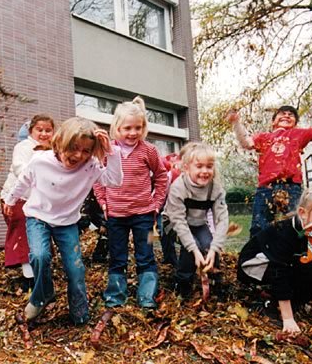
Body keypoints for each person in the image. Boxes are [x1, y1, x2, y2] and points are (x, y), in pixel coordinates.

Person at [4, 117, 123, 325]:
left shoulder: (91, 166)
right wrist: (11, 199)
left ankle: (79, 312)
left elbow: (114, 180)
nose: (79, 155)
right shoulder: (41, 160)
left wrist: (111, 152)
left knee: (75, 269)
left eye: (86, 151)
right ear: (60, 142)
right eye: (74, 148)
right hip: (38, 217)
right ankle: (42, 294)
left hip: (67, 222)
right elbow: (24, 180)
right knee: (40, 255)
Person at [237, 184, 312, 334]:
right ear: (303, 213)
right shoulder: (285, 232)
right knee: (301, 270)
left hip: (283, 263)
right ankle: (269, 304)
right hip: (254, 265)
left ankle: (287, 301)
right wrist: (288, 318)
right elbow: (279, 271)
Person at [94, 96, 168, 309]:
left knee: (145, 255)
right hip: (116, 215)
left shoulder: (149, 151)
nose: (132, 133)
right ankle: (115, 296)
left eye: (138, 127)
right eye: (127, 128)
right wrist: (104, 203)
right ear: (116, 127)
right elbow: (97, 178)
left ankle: (147, 297)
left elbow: (162, 177)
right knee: (117, 256)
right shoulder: (108, 150)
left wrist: (156, 203)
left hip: (144, 214)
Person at [227, 104, 312, 236]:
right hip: (266, 187)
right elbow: (246, 143)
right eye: (282, 113)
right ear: (273, 122)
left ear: (295, 123)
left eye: (291, 115)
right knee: (259, 225)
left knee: (294, 224)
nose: (287, 115)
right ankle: (258, 254)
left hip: (291, 186)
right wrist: (236, 122)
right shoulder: (263, 137)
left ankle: (292, 254)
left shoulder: (298, 134)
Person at [165, 142, 229, 298]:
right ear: (187, 168)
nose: (204, 171)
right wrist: (194, 249)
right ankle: (183, 282)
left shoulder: (216, 189)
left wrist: (214, 248)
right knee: (192, 248)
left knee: (207, 245)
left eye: (209, 166)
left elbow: (222, 220)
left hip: (198, 223)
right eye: (199, 166)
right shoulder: (178, 187)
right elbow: (179, 222)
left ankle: (215, 280)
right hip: (173, 223)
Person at [0, 114, 55, 290]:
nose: (44, 134)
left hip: (41, 200)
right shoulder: (23, 147)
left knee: (40, 234)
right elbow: (20, 169)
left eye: (48, 130)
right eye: (40, 130)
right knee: (23, 233)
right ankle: (29, 276)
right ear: (31, 131)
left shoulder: (54, 150)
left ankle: (40, 268)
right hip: (18, 197)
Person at [159, 152, 181, 267]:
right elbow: (163, 191)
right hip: (167, 208)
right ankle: (170, 258)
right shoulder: (170, 174)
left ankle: (174, 259)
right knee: (165, 233)